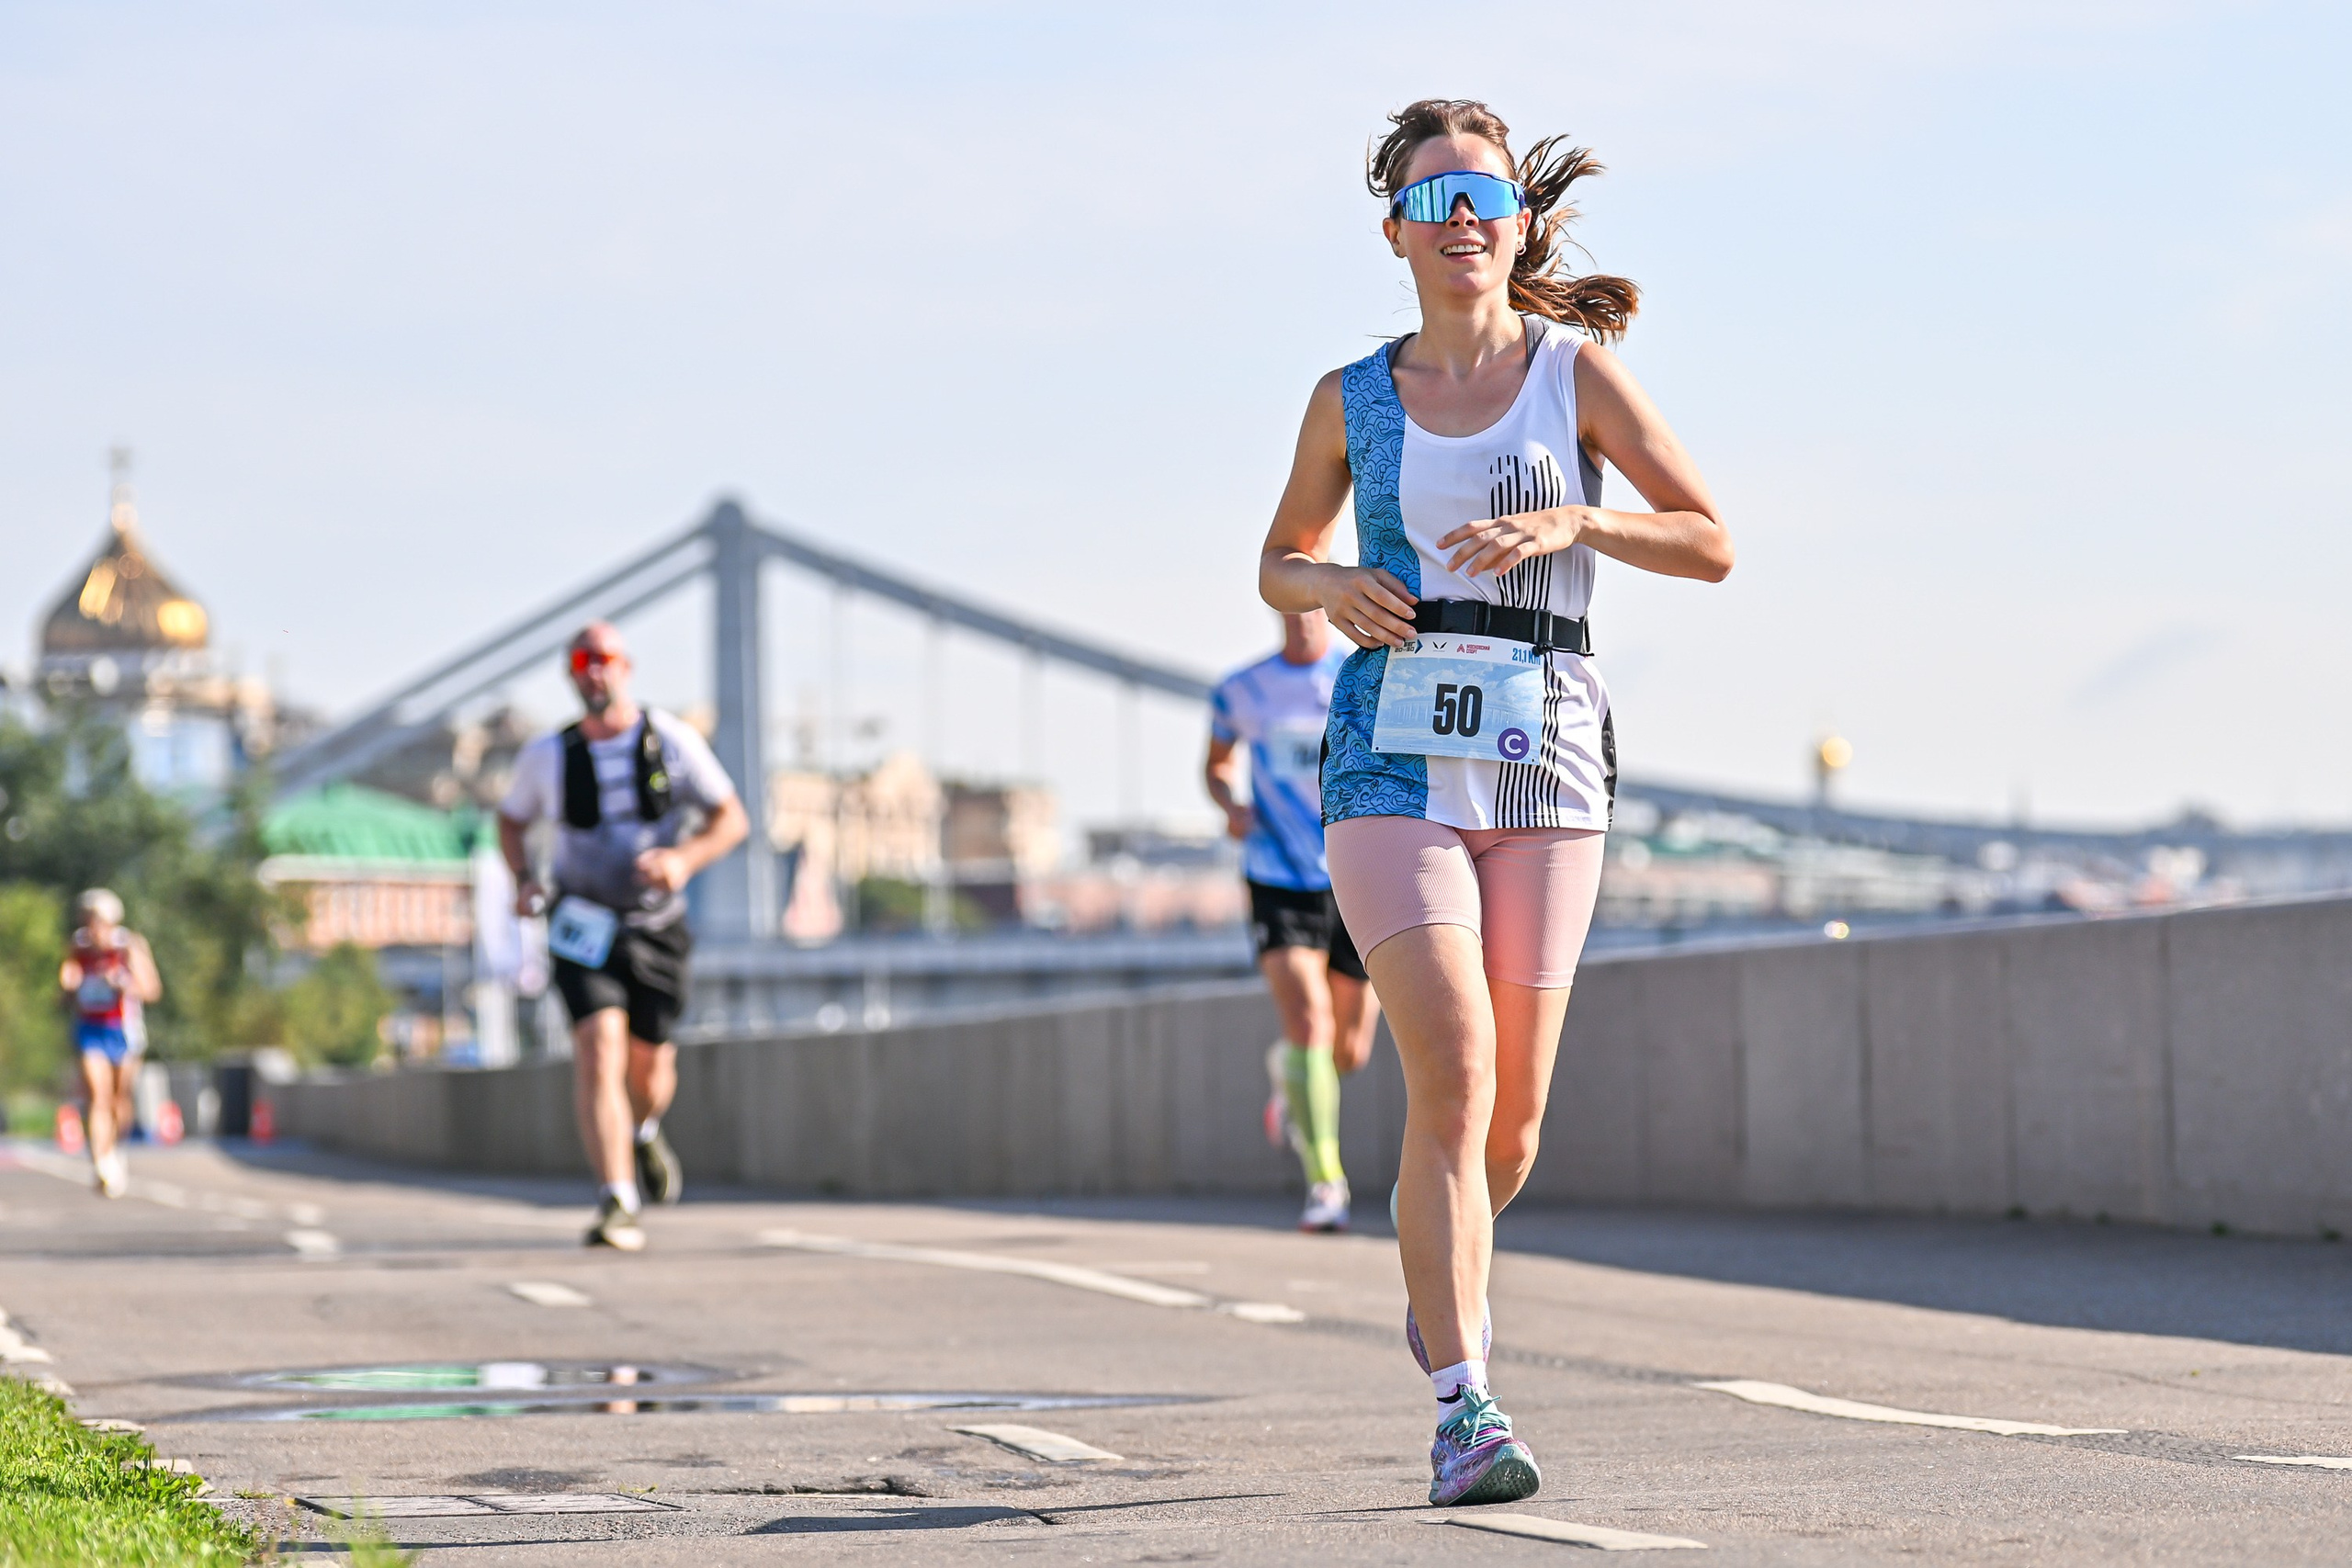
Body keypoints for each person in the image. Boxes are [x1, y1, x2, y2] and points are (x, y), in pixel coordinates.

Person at [1258, 99, 1733, 1506]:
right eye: (1431, 193)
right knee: (1452, 1069)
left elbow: (1710, 539)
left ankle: (1436, 1262)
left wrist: (1579, 519)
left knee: (1509, 1122)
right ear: (1395, 229)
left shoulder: (1572, 377)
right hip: (1390, 757)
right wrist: (1329, 584)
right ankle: (1466, 1402)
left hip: (1545, 753)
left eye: (1482, 190)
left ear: (1517, 221)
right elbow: (1279, 556)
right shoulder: (1349, 396)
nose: (1461, 213)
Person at [497, 622, 749, 1250]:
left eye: (603, 659)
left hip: (657, 926)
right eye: (581, 661)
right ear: (570, 674)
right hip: (583, 923)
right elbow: (510, 820)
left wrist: (684, 860)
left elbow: (731, 818)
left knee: (649, 1066)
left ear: (626, 667)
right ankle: (617, 1198)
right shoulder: (547, 756)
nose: (593, 671)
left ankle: (645, 1131)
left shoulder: (671, 741)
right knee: (598, 1049)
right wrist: (525, 878)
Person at [1204, 610, 1382, 1233]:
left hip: (1353, 868)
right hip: (1276, 871)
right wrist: (1230, 804)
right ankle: (1326, 1182)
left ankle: (1290, 1076)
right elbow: (1217, 763)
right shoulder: (1241, 688)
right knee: (1309, 1016)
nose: (1306, 618)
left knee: (1350, 1048)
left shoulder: (1359, 673)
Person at [59, 888, 162, 1198]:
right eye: (88, 919)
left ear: (111, 921)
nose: (93, 927)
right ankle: (101, 1162)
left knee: (118, 1100)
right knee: (97, 1096)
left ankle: (115, 1150)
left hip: (123, 1030)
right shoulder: (78, 947)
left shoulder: (129, 945)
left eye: (98, 920)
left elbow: (152, 990)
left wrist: (124, 983)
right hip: (91, 1028)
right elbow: (64, 990)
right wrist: (71, 986)